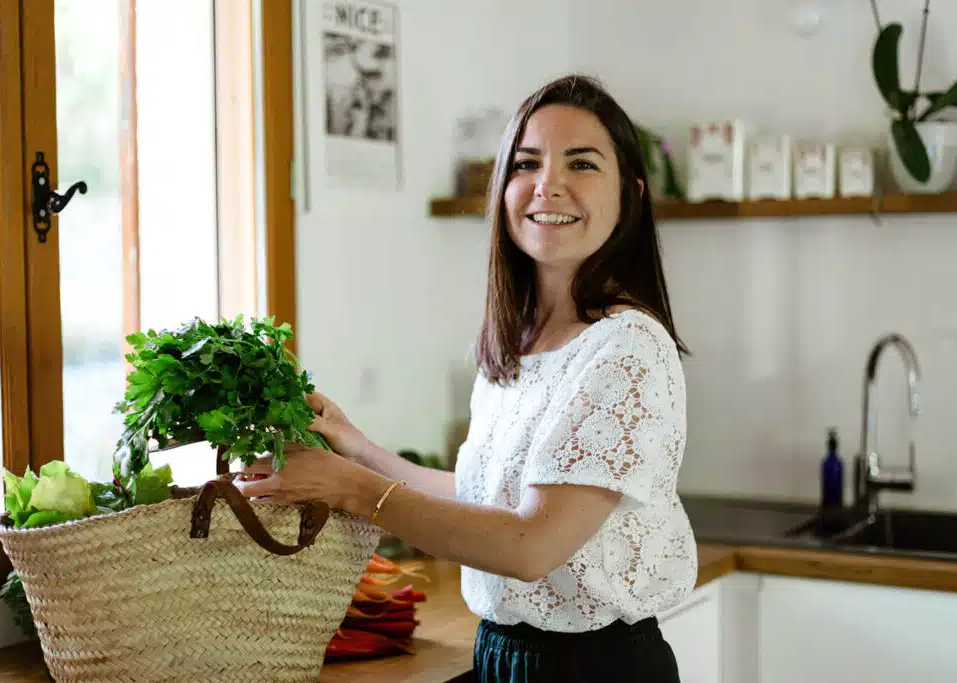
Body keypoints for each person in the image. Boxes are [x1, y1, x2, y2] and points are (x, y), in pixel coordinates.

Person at [235, 73, 697, 682]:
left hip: (596, 668)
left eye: (581, 163)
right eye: (526, 164)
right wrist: (359, 449)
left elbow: (532, 545)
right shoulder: (518, 343)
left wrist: (351, 488)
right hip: (502, 655)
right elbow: (484, 496)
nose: (548, 184)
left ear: (630, 196)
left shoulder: (627, 346)